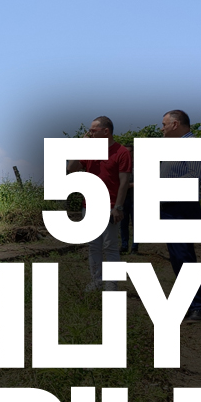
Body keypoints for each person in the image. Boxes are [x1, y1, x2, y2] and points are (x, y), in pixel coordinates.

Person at [67, 116, 131, 291]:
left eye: (93, 130)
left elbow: (124, 181)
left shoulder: (121, 152)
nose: (89, 133)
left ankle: (112, 284)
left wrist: (118, 207)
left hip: (110, 205)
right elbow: (71, 167)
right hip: (89, 205)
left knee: (110, 246)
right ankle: (97, 281)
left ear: (106, 131)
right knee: (93, 246)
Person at [160, 109, 201, 322]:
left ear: (175, 124)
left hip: (181, 207)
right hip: (171, 207)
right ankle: (191, 303)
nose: (161, 128)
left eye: (163, 124)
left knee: (183, 257)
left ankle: (199, 306)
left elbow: (195, 176)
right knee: (178, 258)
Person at [120, 147, 137, 254]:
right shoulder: (121, 165)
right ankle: (124, 245)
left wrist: (127, 185)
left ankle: (134, 247)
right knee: (123, 223)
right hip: (123, 198)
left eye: (129, 151)